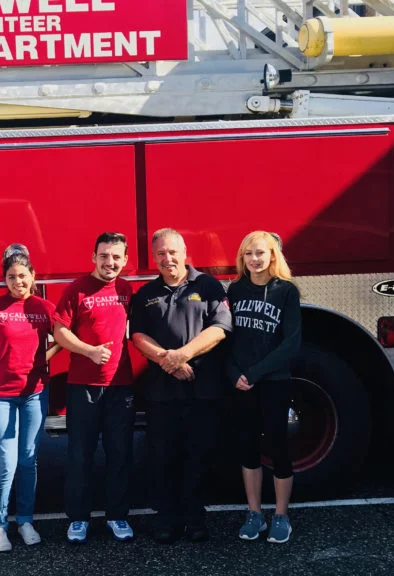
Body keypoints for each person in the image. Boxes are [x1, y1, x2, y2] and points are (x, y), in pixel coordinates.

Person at [129, 228, 233, 544]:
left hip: (202, 391)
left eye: (172, 252)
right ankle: (165, 520)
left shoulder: (208, 286)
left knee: (198, 456)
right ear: (154, 258)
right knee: (162, 457)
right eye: (160, 253)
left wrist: (184, 354)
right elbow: (137, 336)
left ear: (184, 252)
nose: (167, 258)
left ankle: (195, 519)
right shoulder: (146, 294)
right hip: (162, 393)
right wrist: (167, 360)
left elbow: (221, 328)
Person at [0, 244, 58, 552]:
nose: (18, 282)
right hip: (0, 397)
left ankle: (24, 520)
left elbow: (63, 338)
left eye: (23, 276)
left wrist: (42, 358)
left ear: (32, 276)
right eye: (11, 277)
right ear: (4, 279)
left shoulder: (43, 308)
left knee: (28, 460)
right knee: (6, 464)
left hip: (34, 395)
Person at [52, 232, 136, 543]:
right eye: (104, 256)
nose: (109, 262)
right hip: (83, 387)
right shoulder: (76, 289)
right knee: (79, 455)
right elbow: (60, 332)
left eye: (116, 257)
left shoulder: (127, 290)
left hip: (121, 386)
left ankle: (117, 516)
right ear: (93, 257)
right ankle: (78, 519)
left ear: (125, 260)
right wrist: (88, 350)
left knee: (120, 454)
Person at [228, 231, 301, 544]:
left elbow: (292, 342)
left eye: (260, 253)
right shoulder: (235, 289)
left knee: (276, 445)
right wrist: (234, 374)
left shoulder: (286, 291)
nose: (254, 260)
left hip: (273, 381)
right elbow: (225, 337)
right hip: (242, 384)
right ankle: (255, 513)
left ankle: (281, 515)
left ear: (273, 256)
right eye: (248, 254)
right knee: (246, 446)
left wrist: (256, 373)